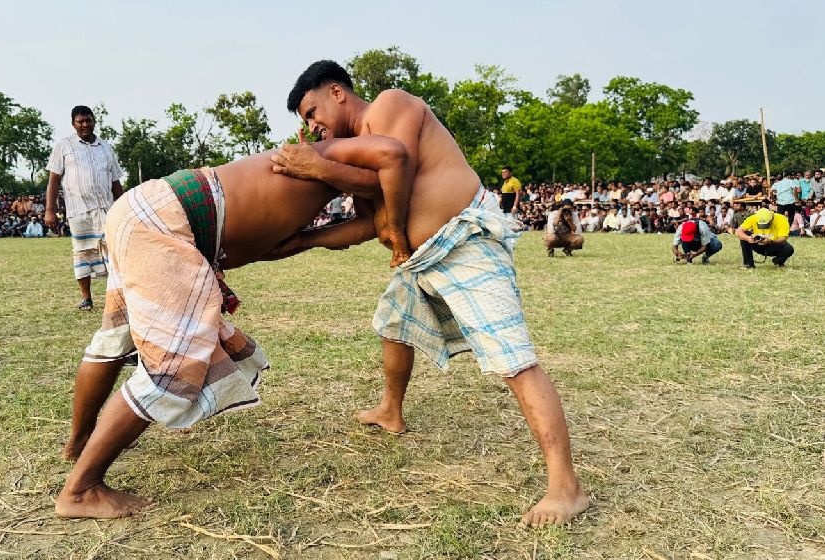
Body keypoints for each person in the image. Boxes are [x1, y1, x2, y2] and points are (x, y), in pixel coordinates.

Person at [275, 60, 587, 527]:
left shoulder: (389, 105)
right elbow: (370, 223)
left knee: (513, 358)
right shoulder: (352, 155)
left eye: (312, 111)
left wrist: (322, 165)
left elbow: (394, 166)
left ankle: (566, 487)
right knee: (393, 323)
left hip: (466, 241)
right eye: (306, 121)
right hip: (422, 258)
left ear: (337, 91)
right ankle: (391, 410)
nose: (312, 126)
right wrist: (303, 241)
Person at [56, 135, 409, 520]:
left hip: (143, 211)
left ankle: (78, 443)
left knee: (115, 337)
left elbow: (369, 222)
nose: (311, 125)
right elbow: (392, 159)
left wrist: (308, 236)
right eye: (309, 113)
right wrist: (327, 171)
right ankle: (81, 489)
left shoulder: (329, 168)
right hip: (165, 222)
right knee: (173, 365)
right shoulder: (332, 152)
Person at [44, 106, 125, 312]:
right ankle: (86, 298)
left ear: (94, 121)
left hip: (107, 209)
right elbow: (53, 181)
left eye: (88, 120)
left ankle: (116, 298)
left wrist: (125, 206)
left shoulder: (106, 148)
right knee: (82, 253)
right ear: (73, 124)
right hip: (78, 210)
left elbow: (115, 181)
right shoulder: (64, 146)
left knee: (113, 252)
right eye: (80, 121)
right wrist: (49, 210)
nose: (85, 125)